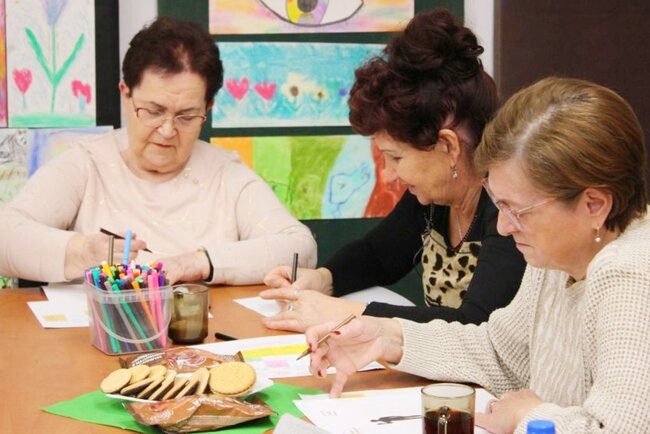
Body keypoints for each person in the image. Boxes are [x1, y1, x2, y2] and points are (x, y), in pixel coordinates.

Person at [306, 77, 650, 433]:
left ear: (594, 205)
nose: (503, 226)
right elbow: (500, 354)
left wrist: (529, 416)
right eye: (499, 205)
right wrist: (387, 337)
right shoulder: (557, 254)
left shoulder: (633, 273)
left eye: (518, 210)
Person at [260, 8, 525, 332]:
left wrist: (340, 312)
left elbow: (473, 324)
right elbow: (378, 256)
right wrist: (323, 279)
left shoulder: (510, 211)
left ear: (448, 146)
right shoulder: (435, 195)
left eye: (395, 158)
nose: (387, 174)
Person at [0, 17, 316, 285]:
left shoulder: (225, 173)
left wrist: (200, 262)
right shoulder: (86, 164)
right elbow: (6, 237)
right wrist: (82, 251)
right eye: (153, 111)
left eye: (186, 116)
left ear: (207, 108)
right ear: (126, 95)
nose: (167, 130)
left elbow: (301, 248)